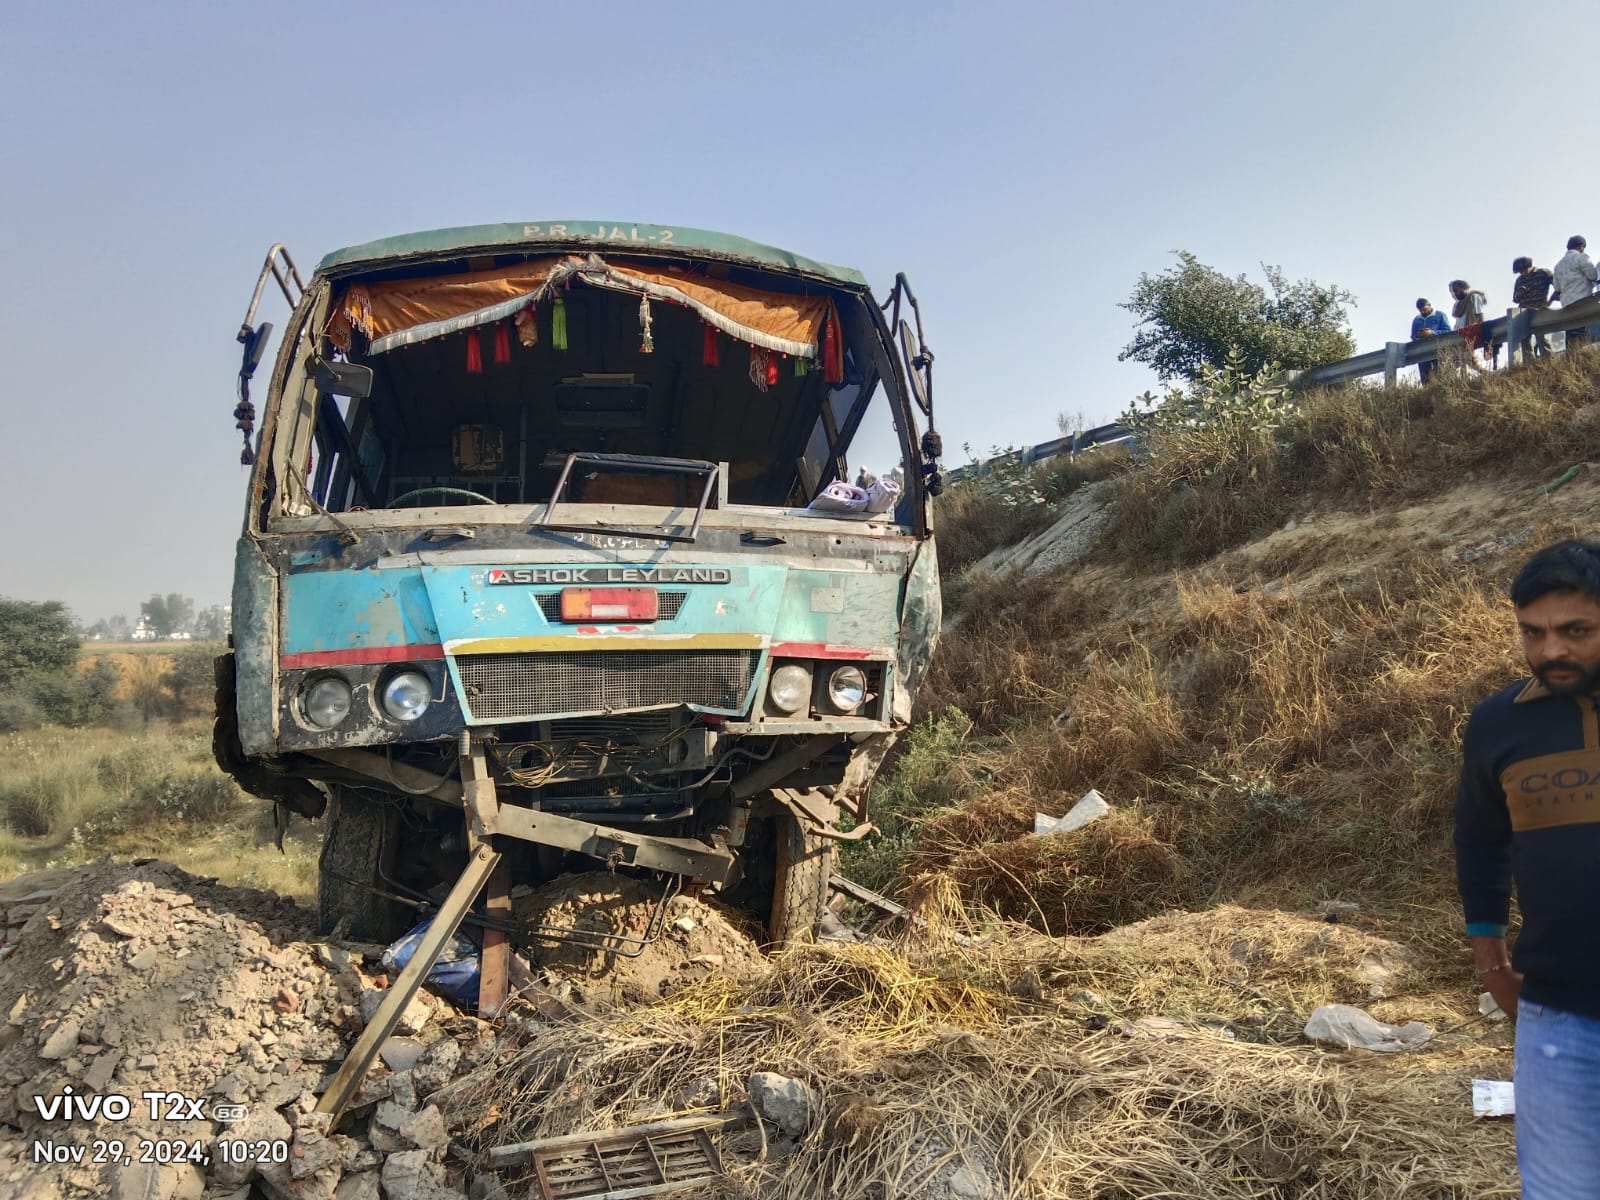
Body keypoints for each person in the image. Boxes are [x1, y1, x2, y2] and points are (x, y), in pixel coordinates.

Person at [1454, 539, 1600, 1199]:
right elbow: (1480, 842)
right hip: (1560, 1021)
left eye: (1575, 631)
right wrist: (1491, 964)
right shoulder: (1497, 724)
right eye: (1532, 633)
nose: (1551, 650)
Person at [1552, 236, 1598, 352]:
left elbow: (1557, 288)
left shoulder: (1558, 265)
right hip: (1583, 302)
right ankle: (1581, 358)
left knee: (1571, 333)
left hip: (1567, 304)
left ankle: (1571, 357)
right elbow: (1593, 276)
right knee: (1582, 332)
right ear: (1581, 246)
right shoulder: (1582, 257)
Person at [1511, 256, 1555, 361]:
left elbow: (1558, 285)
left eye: (1523, 270)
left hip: (1538, 310)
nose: (1522, 273)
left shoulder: (1543, 273)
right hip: (1523, 312)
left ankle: (1549, 362)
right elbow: (1515, 299)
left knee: (1542, 338)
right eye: (1520, 272)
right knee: (1525, 340)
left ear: (1529, 266)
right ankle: (1529, 365)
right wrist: (1519, 293)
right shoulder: (1520, 280)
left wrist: (1550, 301)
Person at [1448, 279, 1489, 374]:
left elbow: (1480, 314)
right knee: (1457, 361)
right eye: (1453, 292)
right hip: (1459, 334)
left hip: (1470, 333)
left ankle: (1489, 375)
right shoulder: (1458, 304)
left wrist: (1482, 330)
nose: (1455, 294)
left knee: (1468, 360)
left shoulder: (1473, 297)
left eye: (1457, 290)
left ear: (1464, 288)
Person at [1411, 297, 1451, 382]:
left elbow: (1448, 331)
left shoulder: (1440, 315)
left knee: (1442, 376)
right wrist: (1418, 335)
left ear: (1429, 305)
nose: (1423, 312)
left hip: (1439, 350)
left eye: (1424, 309)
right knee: (1426, 379)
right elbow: (1413, 336)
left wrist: (1432, 333)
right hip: (1423, 353)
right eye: (1420, 310)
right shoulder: (1416, 320)